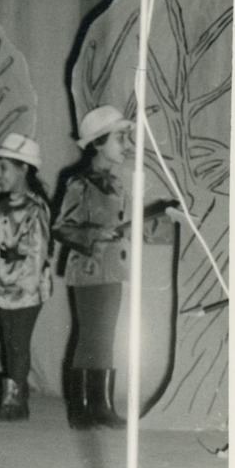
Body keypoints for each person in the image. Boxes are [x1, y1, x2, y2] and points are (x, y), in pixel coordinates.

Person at [52, 105, 178, 430]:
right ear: (98, 143)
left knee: (105, 337)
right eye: (120, 138)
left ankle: (100, 406)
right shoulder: (79, 184)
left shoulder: (116, 185)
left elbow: (125, 226)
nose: (126, 145)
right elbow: (62, 228)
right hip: (90, 269)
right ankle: (81, 409)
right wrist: (98, 234)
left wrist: (161, 217)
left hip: (113, 269)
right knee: (91, 336)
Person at [0, 133, 54, 421]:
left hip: (27, 288)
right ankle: (11, 399)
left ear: (24, 168)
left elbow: (37, 254)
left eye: (4, 168)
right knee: (9, 341)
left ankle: (17, 404)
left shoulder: (36, 209)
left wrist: (22, 287)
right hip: (3, 287)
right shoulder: (0, 207)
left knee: (19, 342)